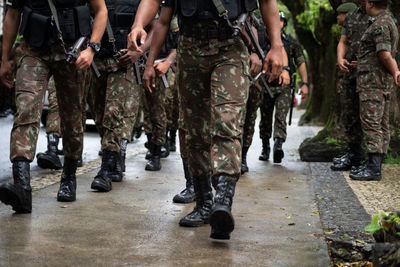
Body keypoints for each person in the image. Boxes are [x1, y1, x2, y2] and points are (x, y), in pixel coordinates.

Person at [129, 0, 283, 240]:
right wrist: (146, 50)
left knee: (227, 120)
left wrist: (276, 44)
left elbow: (267, 2)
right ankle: (203, 202)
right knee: (193, 130)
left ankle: (223, 201)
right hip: (190, 50)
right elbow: (163, 18)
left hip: (230, 47)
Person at [0, 0, 107, 213]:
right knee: (26, 109)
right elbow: (13, 14)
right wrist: (4, 58)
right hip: (33, 49)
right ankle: (22, 186)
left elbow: (101, 10)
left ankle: (68, 175)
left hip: (72, 51)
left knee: (72, 116)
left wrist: (92, 49)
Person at [87, 0, 150, 191]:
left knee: (113, 115)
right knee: (99, 115)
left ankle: (105, 170)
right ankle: (116, 158)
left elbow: (155, 27)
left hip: (122, 65)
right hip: (97, 64)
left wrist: (139, 53)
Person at [349, 0, 400, 181]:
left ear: (371, 3)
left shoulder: (380, 24)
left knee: (372, 123)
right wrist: (362, 62)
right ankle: (374, 164)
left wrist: (395, 71)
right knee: (381, 123)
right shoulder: (387, 20)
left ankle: (373, 168)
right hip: (378, 81)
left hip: (373, 84)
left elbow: (384, 54)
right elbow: (376, 54)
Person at [257, 10, 308, 164]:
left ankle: (278, 145)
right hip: (265, 85)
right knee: (265, 118)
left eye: (281, 20)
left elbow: (300, 62)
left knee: (281, 117)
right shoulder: (262, 39)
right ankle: (265, 147)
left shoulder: (291, 42)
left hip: (284, 87)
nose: (278, 22)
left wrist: (305, 83)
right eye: (275, 19)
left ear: (284, 24)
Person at [331, 0, 370, 171]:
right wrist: (340, 59)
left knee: (370, 117)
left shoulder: (377, 16)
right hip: (349, 74)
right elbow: (343, 41)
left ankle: (371, 160)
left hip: (369, 75)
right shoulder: (353, 17)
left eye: (340, 14)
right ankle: (354, 155)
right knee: (350, 114)